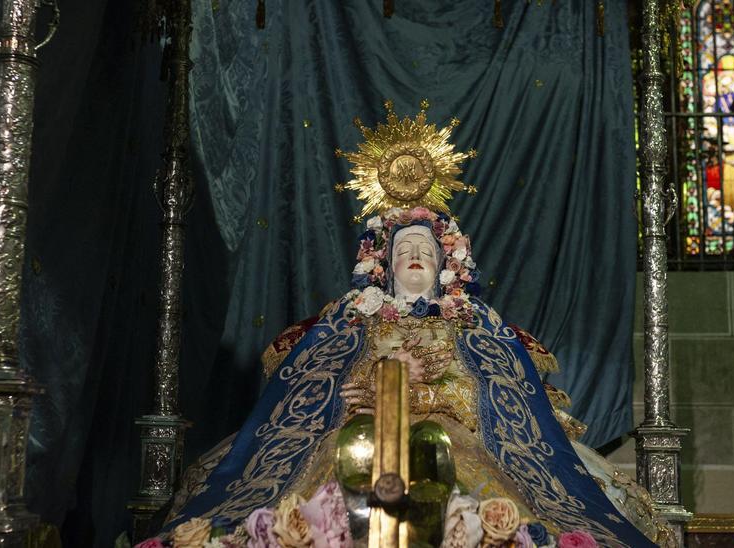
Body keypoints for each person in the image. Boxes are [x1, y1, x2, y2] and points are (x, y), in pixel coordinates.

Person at [160, 104, 674, 547]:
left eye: (423, 251)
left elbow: (501, 399)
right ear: (381, 263)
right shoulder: (349, 318)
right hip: (351, 434)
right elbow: (309, 392)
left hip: (454, 436)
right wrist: (368, 389)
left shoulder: (475, 324)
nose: (412, 257)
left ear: (444, 264)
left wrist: (424, 397)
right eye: (402, 249)